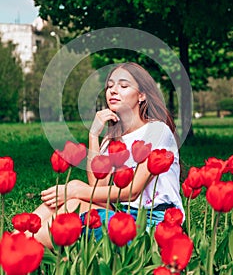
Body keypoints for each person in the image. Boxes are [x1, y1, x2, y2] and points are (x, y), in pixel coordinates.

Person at [33, 62, 184, 248]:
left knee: (74, 197)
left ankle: (21, 250)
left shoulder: (156, 130)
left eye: (123, 85)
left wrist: (77, 190)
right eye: (110, 86)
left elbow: (133, 190)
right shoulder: (113, 139)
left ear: (142, 95)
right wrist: (93, 135)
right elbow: (98, 187)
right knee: (73, 199)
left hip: (156, 224)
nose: (113, 91)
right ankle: (16, 241)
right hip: (125, 216)